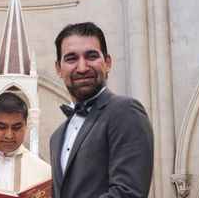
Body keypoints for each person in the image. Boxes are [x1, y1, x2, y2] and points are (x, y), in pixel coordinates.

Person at [49, 22, 154, 198]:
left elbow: (128, 193)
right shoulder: (56, 136)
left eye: (91, 56)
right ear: (59, 68)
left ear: (107, 62)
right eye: (71, 58)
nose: (82, 68)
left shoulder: (125, 111)